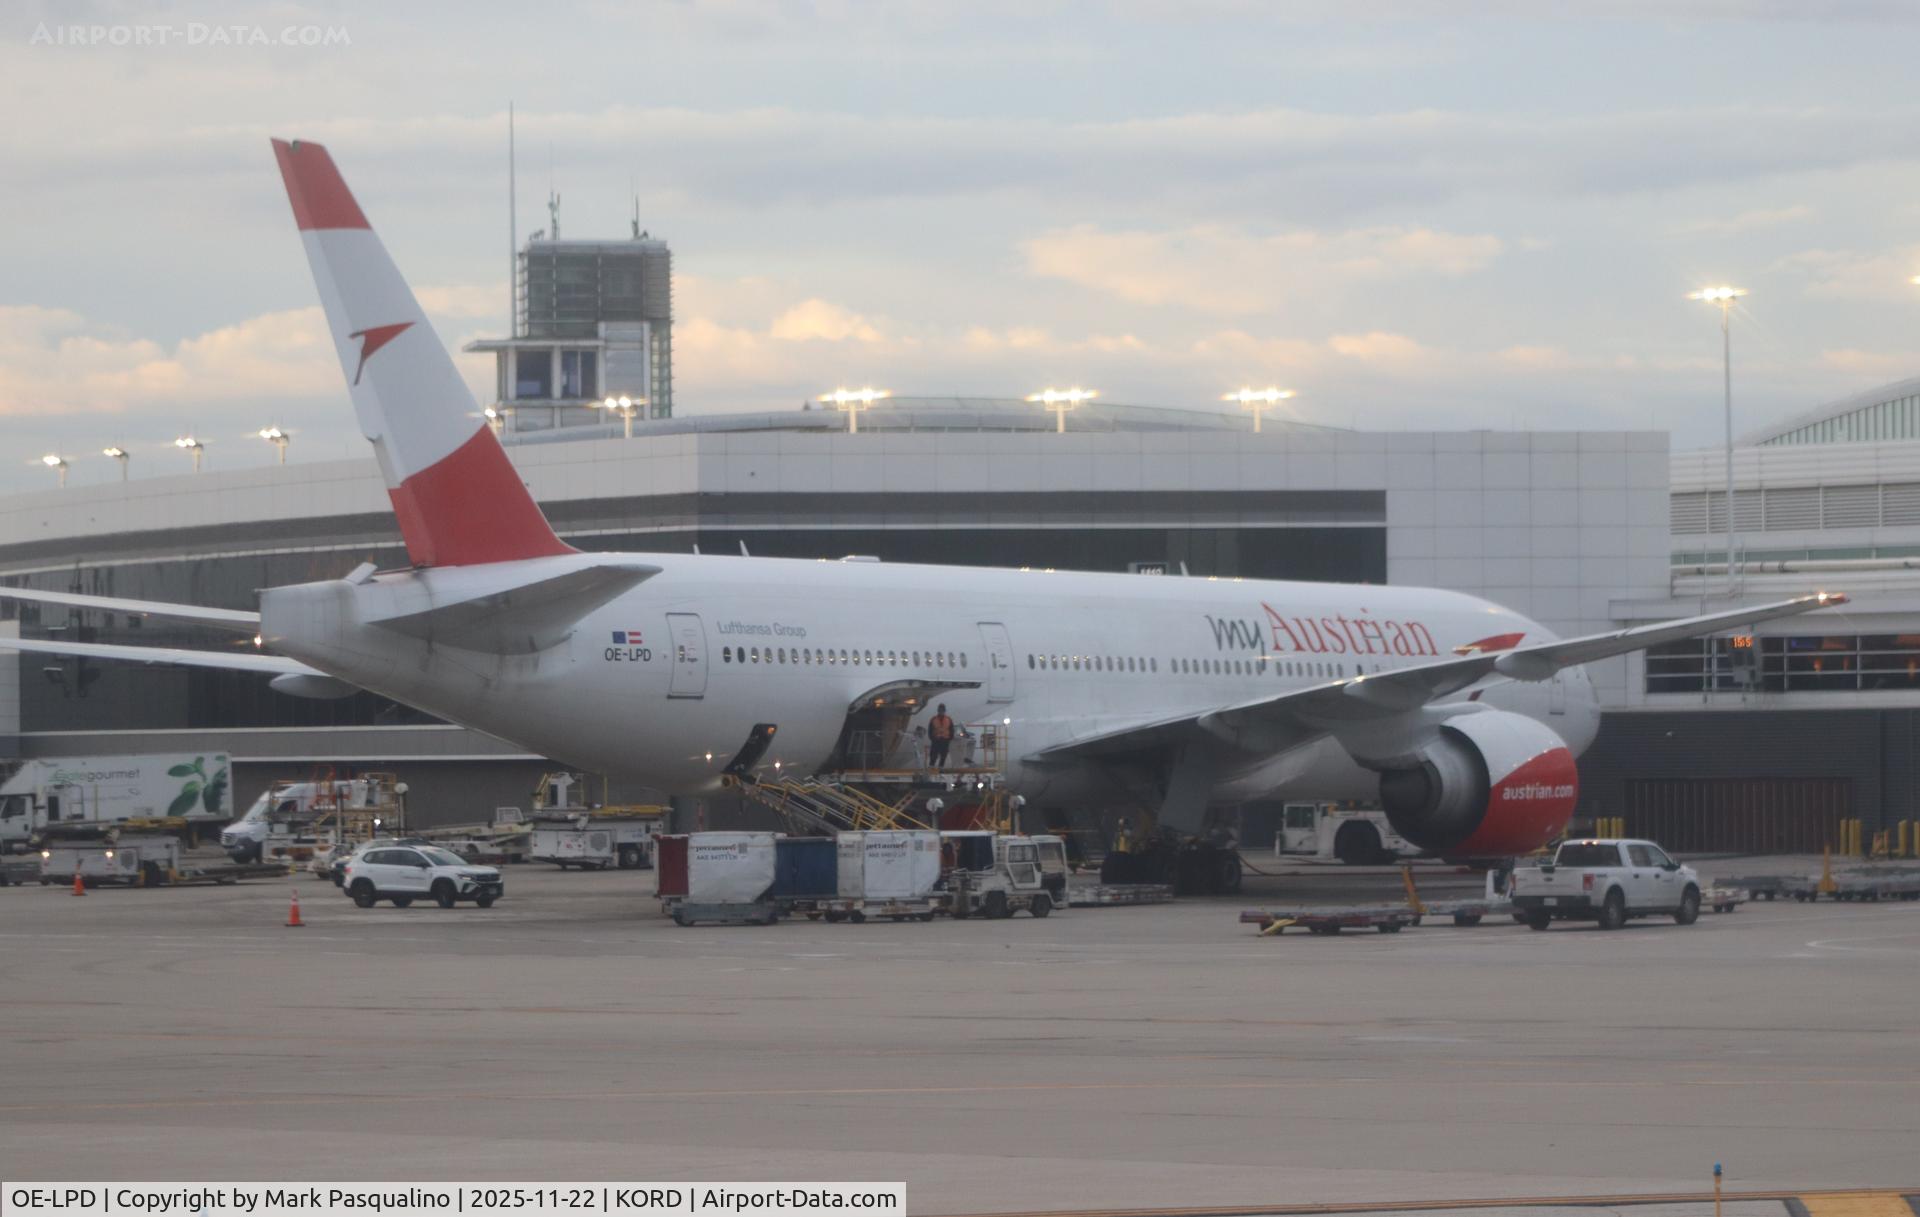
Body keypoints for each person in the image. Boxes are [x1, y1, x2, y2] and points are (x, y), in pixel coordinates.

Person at [928, 704, 956, 769]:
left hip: (945, 740)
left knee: (943, 754)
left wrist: (950, 738)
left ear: (944, 711)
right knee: (933, 754)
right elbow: (930, 729)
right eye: (940, 710)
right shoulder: (933, 719)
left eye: (942, 710)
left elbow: (951, 729)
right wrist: (932, 738)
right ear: (938, 711)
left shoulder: (948, 719)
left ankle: (941, 767)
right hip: (936, 739)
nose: (941, 712)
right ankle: (931, 766)